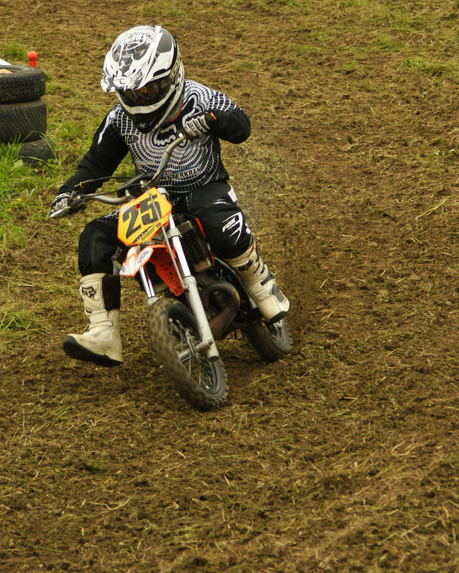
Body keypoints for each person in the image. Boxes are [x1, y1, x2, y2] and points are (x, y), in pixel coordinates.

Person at [50, 25, 290, 367]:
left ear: (170, 76)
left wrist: (212, 120)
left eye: (148, 88)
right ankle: (103, 332)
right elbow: (96, 165)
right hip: (151, 201)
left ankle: (260, 284)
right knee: (94, 236)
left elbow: (241, 126)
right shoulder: (119, 120)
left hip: (203, 188)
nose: (140, 98)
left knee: (219, 224)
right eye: (131, 92)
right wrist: (70, 192)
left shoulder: (199, 97)